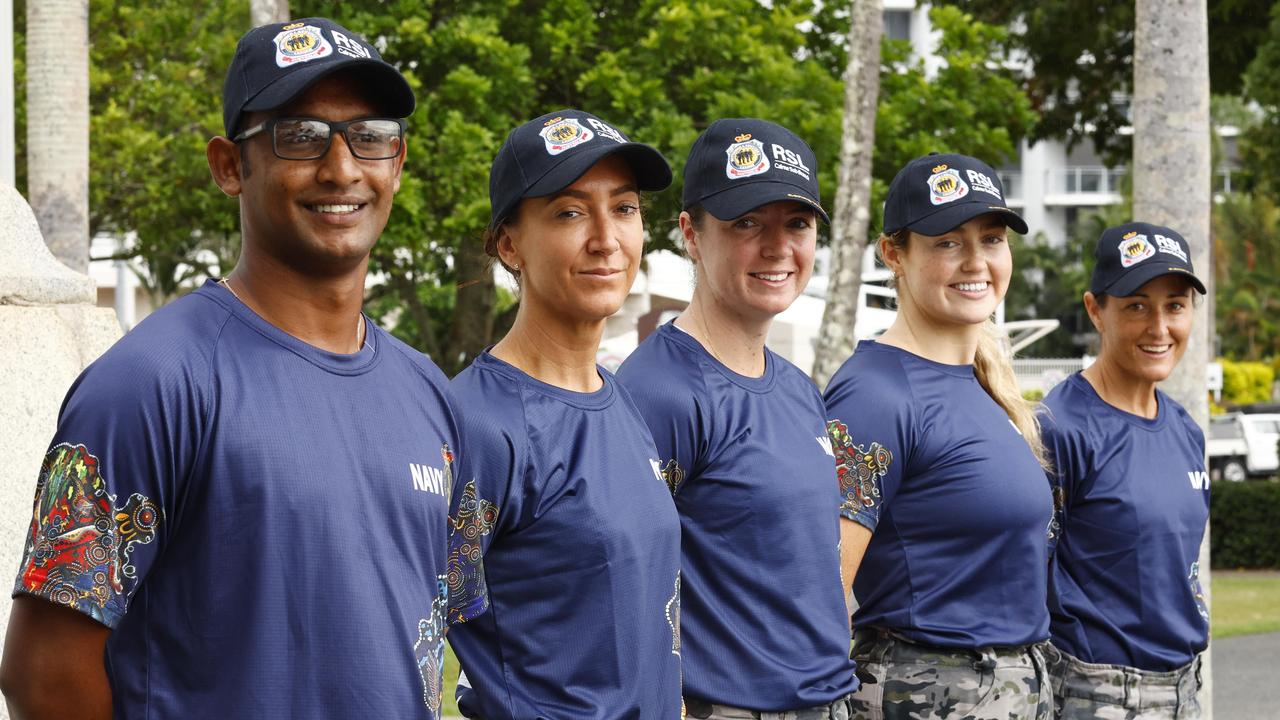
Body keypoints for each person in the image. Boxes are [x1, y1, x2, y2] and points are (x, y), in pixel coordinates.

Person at [1, 18, 466, 719]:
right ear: (229, 165)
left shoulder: (428, 393)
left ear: (396, 163)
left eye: (369, 136)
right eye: (300, 136)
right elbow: (43, 674)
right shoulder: (150, 384)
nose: (341, 168)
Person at [616, 118, 859, 719]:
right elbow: (620, 584)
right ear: (690, 235)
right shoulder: (658, 391)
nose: (777, 248)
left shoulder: (800, 389)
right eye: (747, 222)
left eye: (797, 224)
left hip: (828, 701)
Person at [445, 109, 683, 718]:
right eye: (570, 212)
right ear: (509, 243)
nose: (606, 238)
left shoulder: (618, 396)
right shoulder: (477, 423)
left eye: (625, 208)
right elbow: (413, 625)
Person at [823, 153, 1055, 719]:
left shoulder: (982, 383)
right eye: (947, 242)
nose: (976, 261)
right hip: (930, 692)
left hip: (1013, 689)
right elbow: (824, 591)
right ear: (893, 254)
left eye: (992, 238)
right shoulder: (876, 394)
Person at [1040, 222, 1209, 719]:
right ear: (1096, 310)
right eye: (1137, 305)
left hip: (1184, 690)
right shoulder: (1060, 426)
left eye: (1174, 306)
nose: (1159, 327)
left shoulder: (1185, 430)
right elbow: (1024, 576)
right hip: (1097, 693)